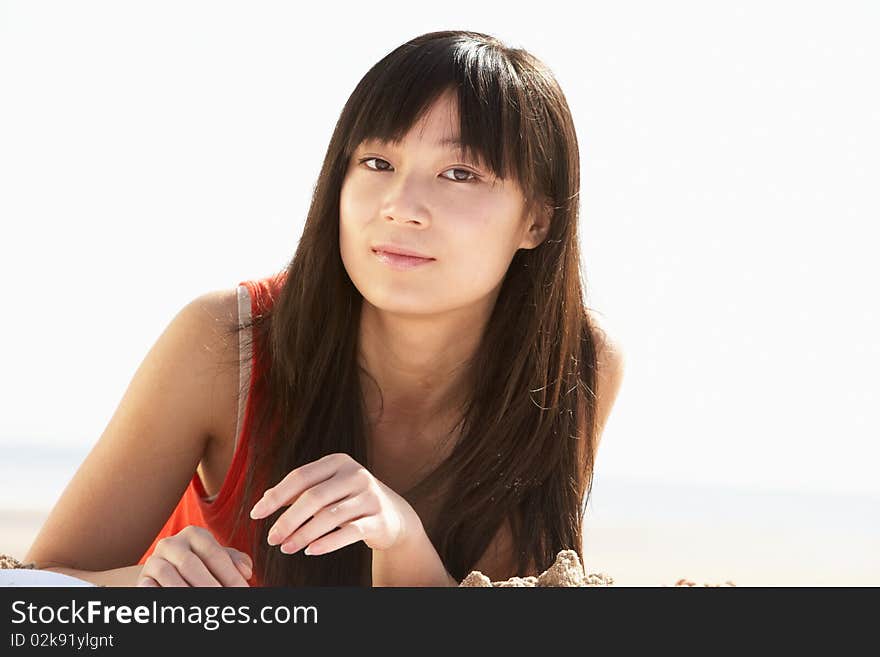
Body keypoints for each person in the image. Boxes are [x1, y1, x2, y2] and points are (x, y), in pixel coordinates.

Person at [24, 29, 625, 587]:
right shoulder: (227, 341)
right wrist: (140, 585)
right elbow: (36, 587)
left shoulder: (573, 365)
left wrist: (401, 538)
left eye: (459, 172)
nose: (400, 206)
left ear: (538, 219)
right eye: (377, 163)